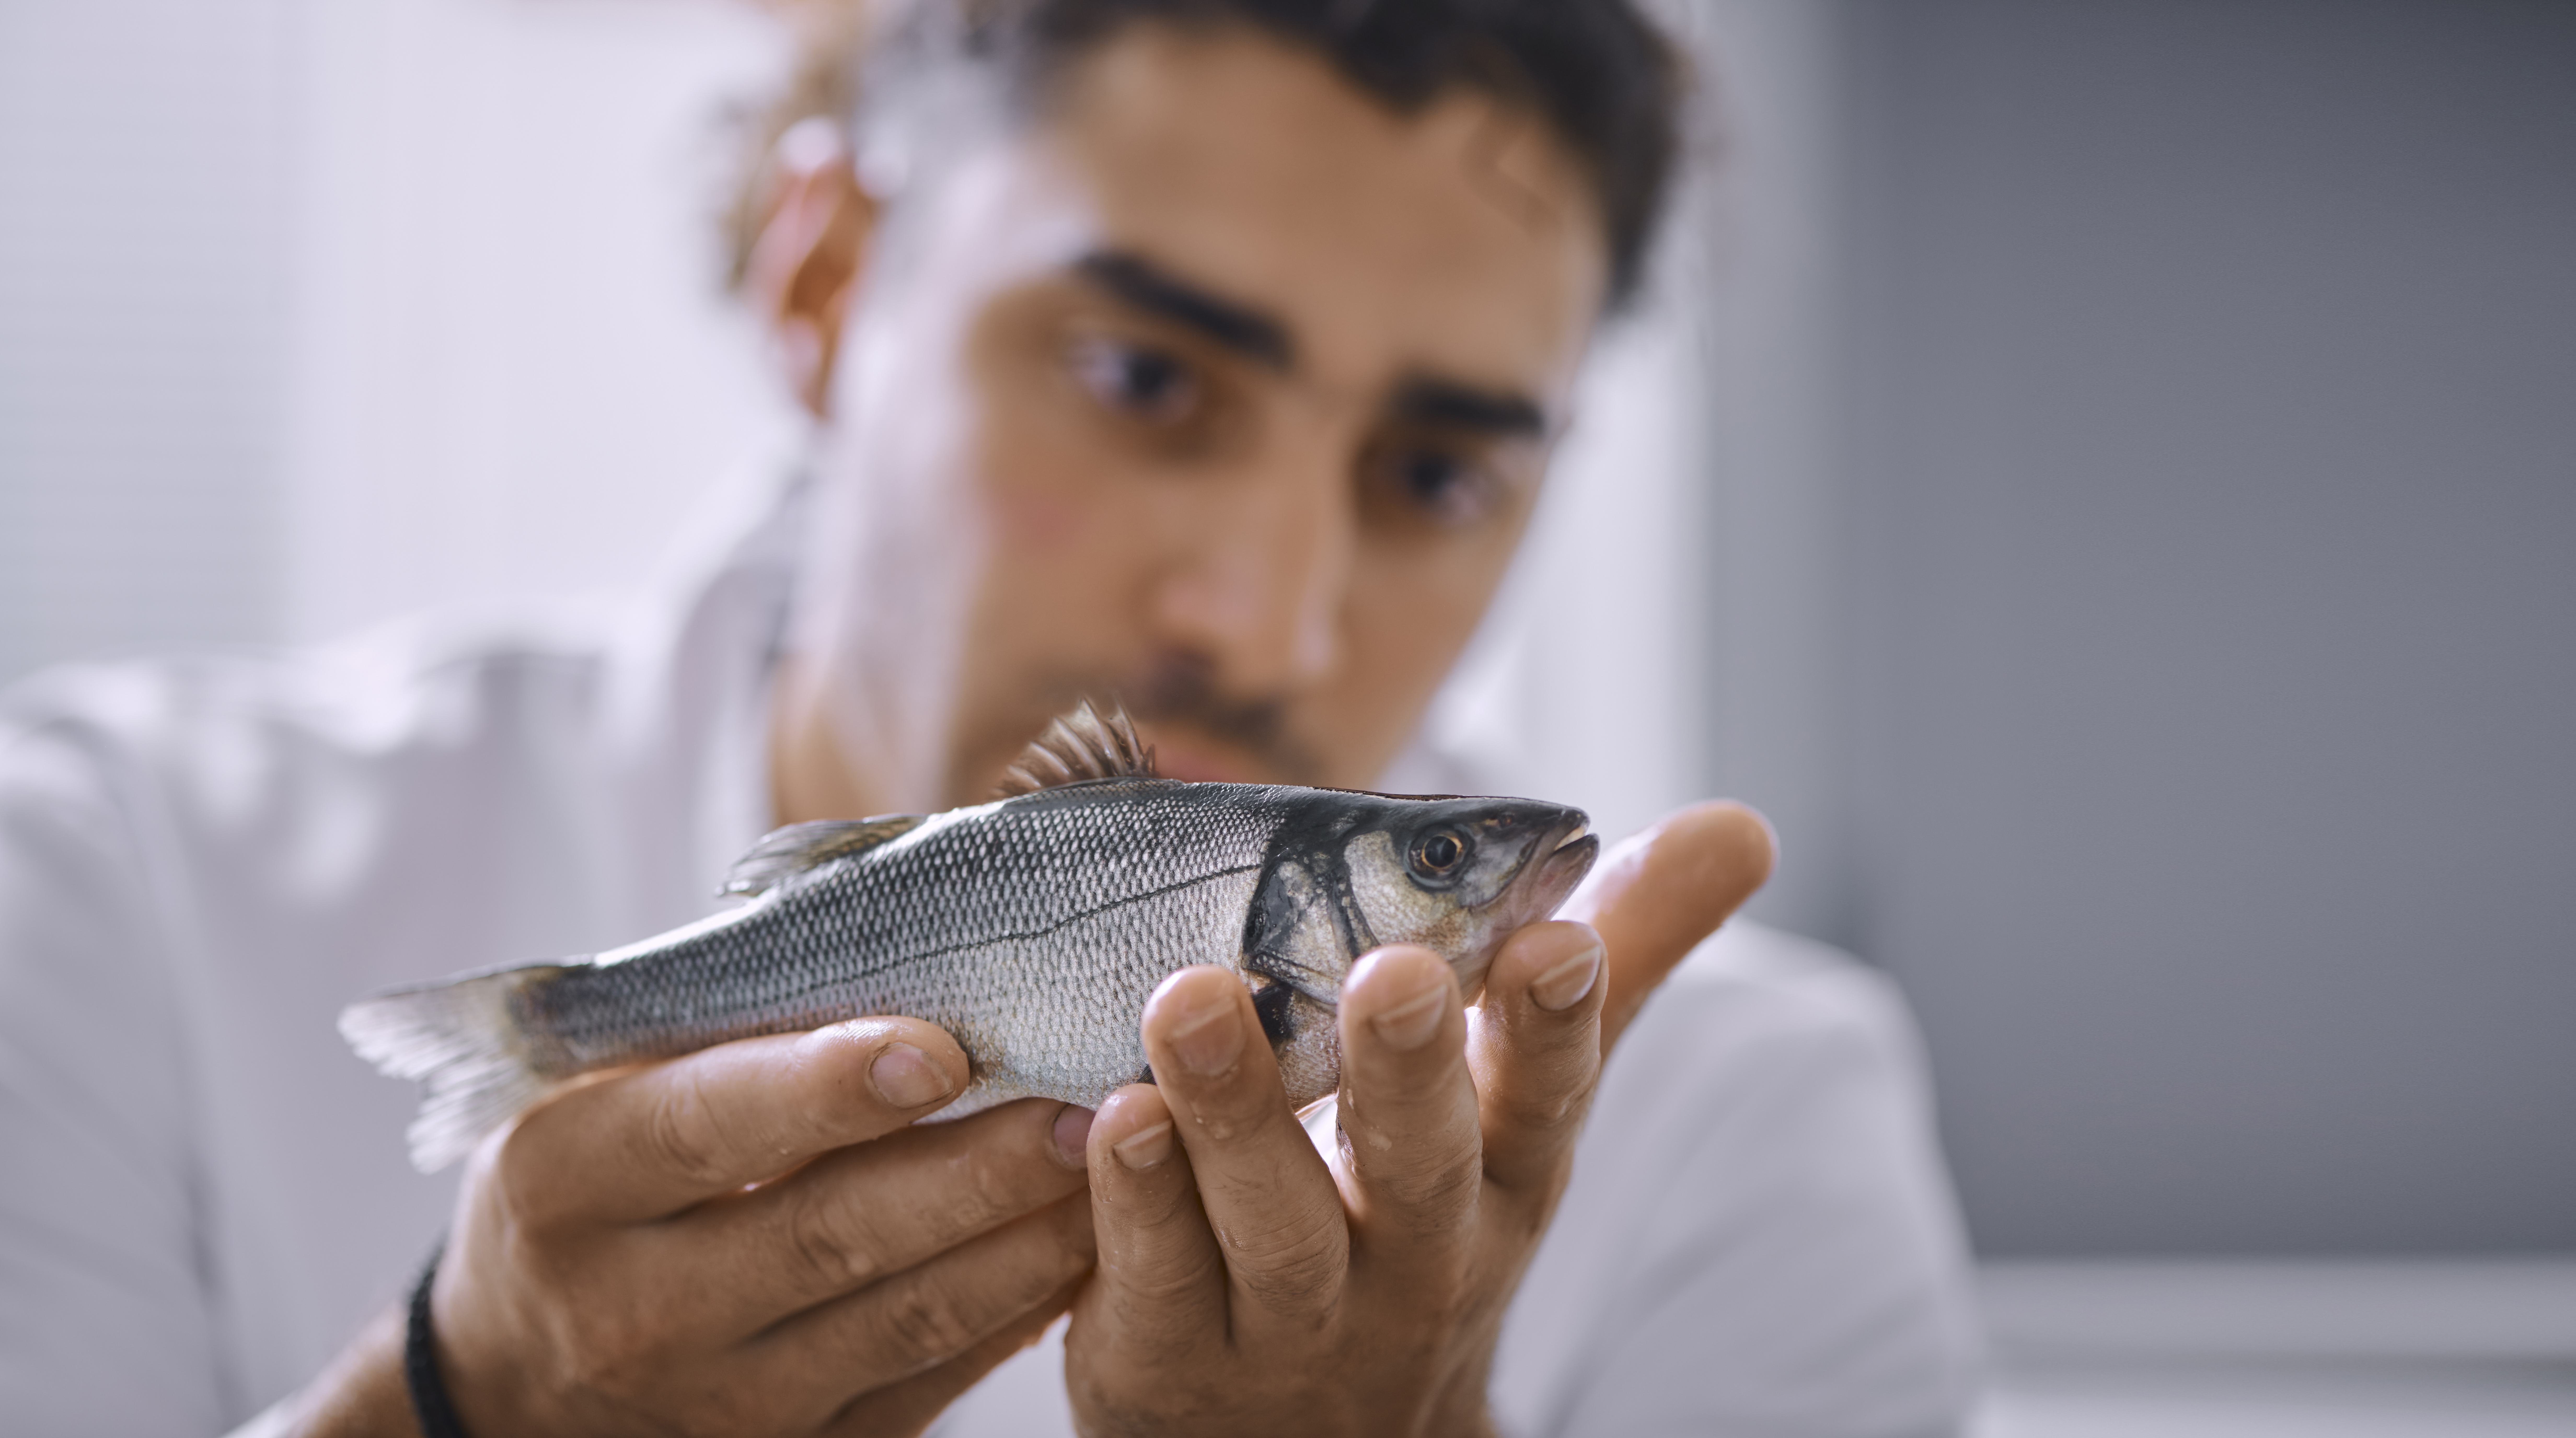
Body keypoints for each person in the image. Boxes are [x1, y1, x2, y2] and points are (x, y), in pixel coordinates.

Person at [0, 2, 1980, 1434]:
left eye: (1436, 475)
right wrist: (453, 1408)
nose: (1262, 615)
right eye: (1140, 375)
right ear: (827, 279)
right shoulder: (103, 880)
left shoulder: (1750, 1131)